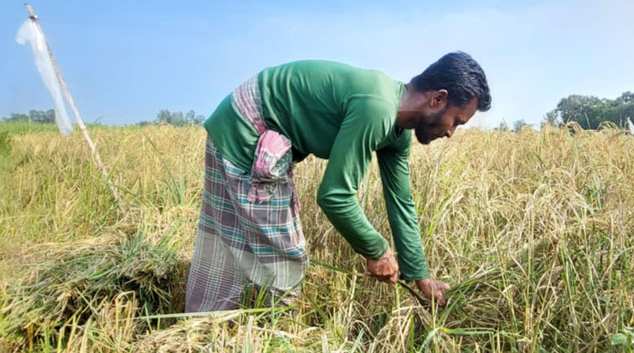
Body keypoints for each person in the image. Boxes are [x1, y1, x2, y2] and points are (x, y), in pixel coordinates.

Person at [185, 51, 491, 312]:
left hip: (249, 124)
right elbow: (335, 196)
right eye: (457, 121)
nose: (451, 132)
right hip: (246, 127)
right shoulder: (377, 107)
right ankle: (268, 348)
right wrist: (377, 250)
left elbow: (401, 204)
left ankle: (227, 329)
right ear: (438, 99)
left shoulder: (397, 132)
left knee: (248, 246)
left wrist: (420, 276)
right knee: (283, 261)